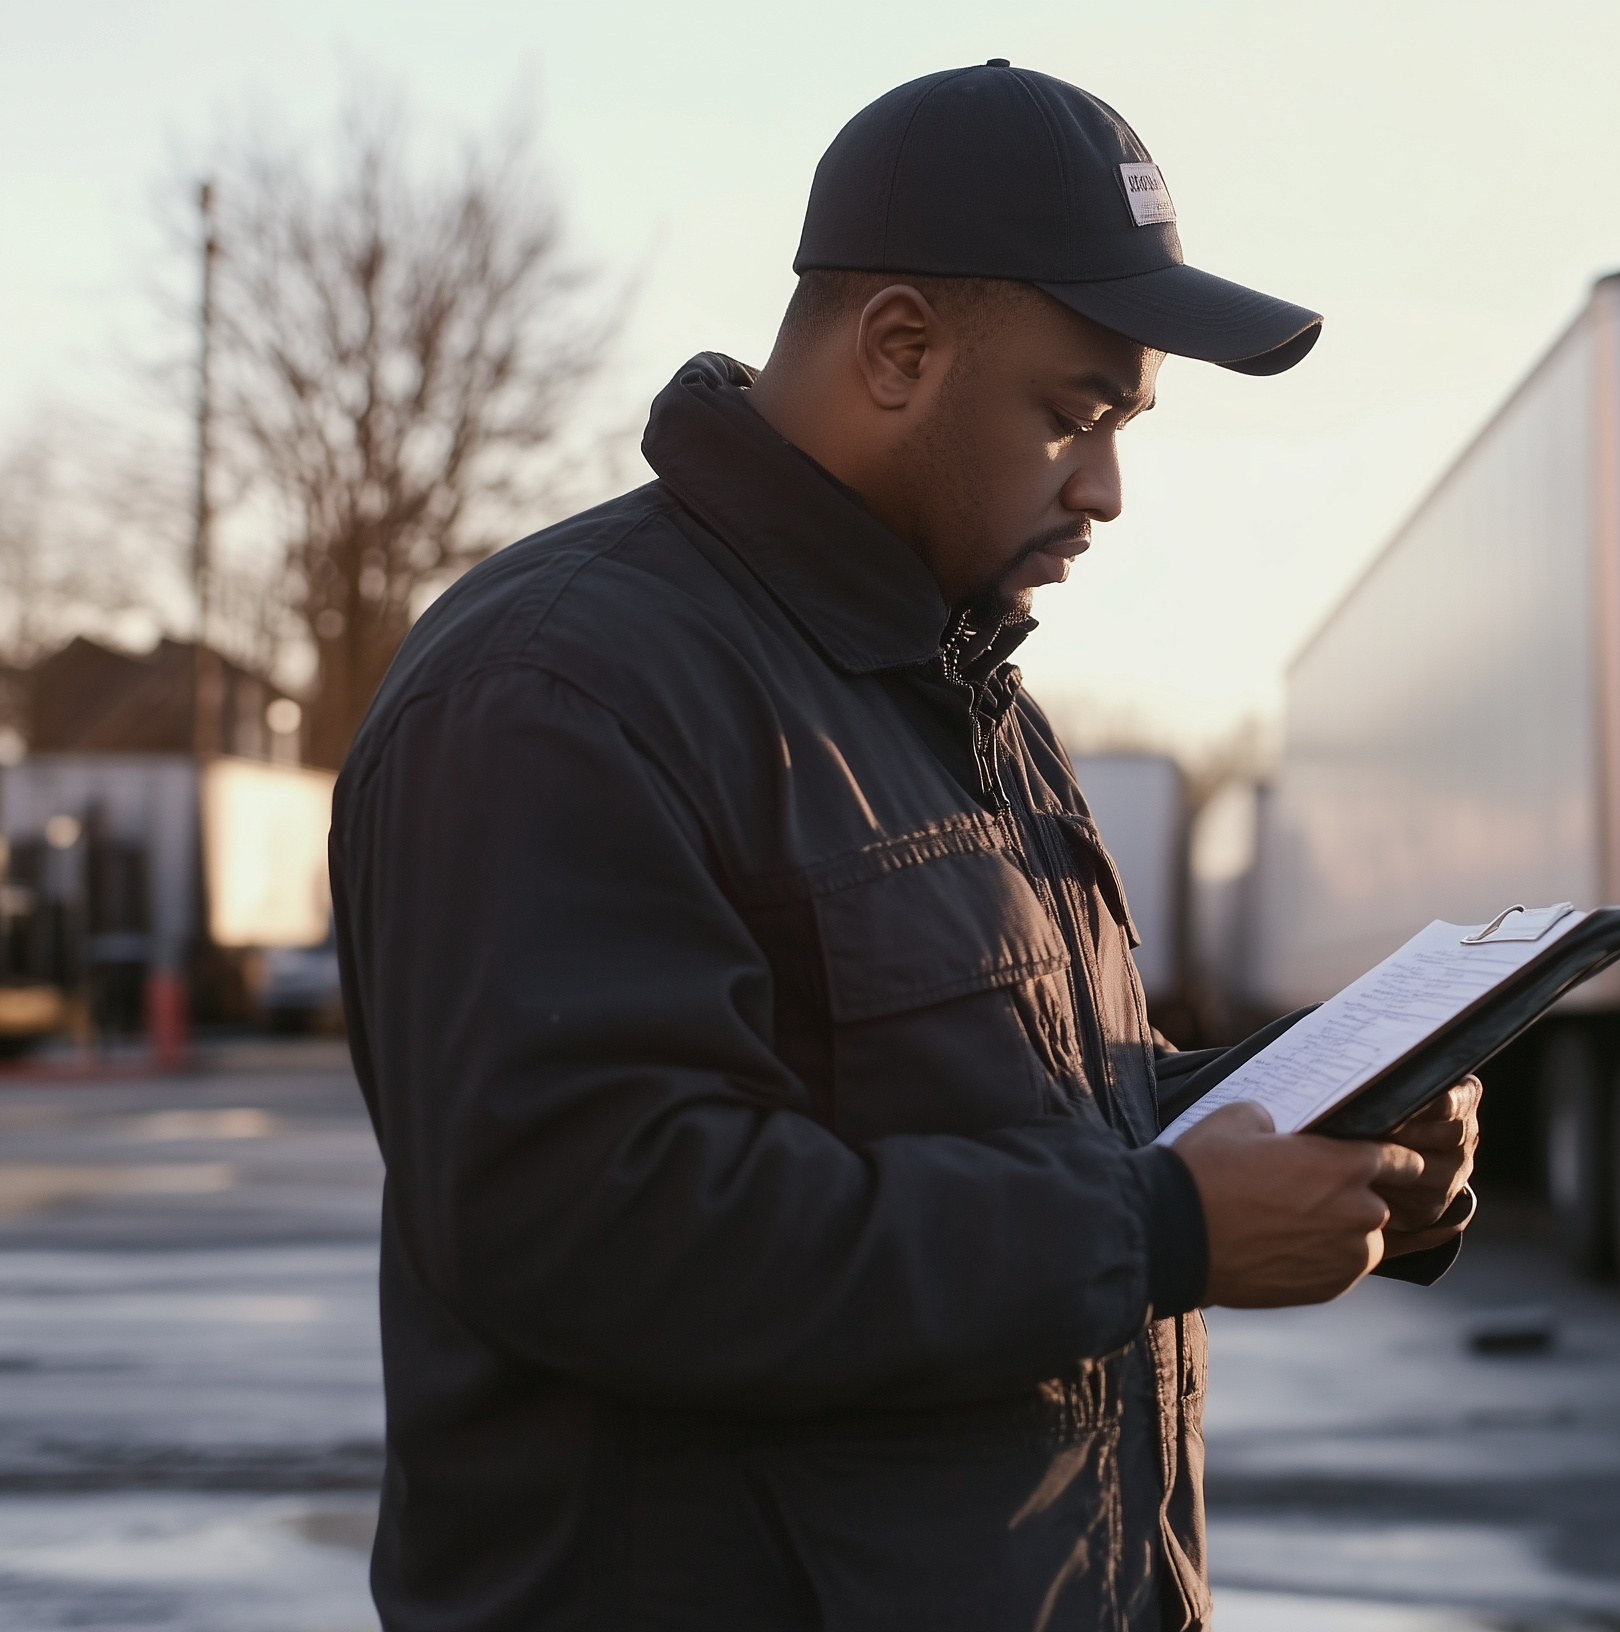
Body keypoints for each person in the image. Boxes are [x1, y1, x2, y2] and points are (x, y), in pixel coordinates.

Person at [330, 62, 1479, 1630]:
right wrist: (1169, 1227)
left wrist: (1313, 1124)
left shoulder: (960, 690)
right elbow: (599, 1223)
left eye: (1127, 425)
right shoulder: (559, 688)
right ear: (899, 349)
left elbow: (1019, 1110)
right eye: (1075, 414)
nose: (1109, 488)